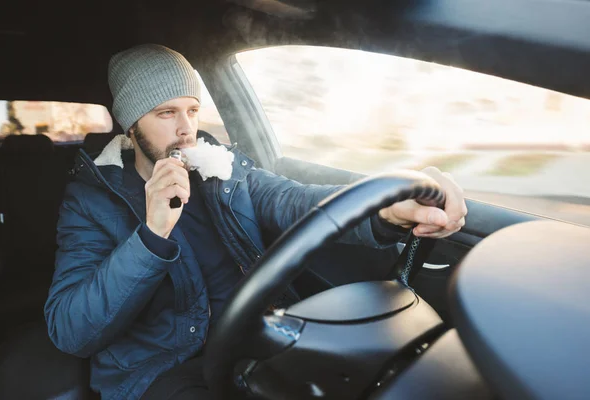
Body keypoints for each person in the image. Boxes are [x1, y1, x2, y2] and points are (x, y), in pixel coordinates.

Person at [44, 44, 467, 400]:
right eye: (166, 113)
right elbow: (71, 330)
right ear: (131, 125)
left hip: (256, 337)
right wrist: (152, 234)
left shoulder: (222, 169)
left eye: (192, 110)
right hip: (166, 366)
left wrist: (386, 211)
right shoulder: (92, 202)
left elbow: (294, 201)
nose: (187, 129)